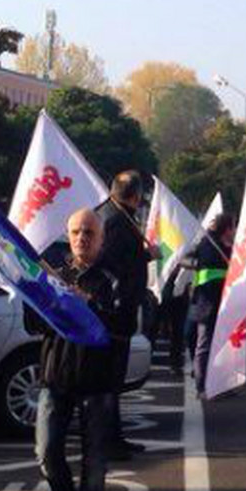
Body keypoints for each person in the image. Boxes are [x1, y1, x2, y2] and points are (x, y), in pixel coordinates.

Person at [34, 209, 132, 491]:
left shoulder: (113, 278)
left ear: (101, 238)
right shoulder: (55, 275)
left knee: (95, 461)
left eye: (89, 232)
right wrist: (43, 300)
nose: (82, 238)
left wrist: (87, 305)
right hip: (56, 377)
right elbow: (35, 324)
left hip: (98, 381)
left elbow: (123, 327)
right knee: (46, 451)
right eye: (76, 231)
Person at [96, 170, 159, 458]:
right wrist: (146, 256)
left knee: (114, 380)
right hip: (115, 312)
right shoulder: (114, 220)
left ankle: (116, 437)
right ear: (134, 197)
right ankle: (109, 440)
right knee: (109, 380)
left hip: (120, 308)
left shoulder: (114, 214)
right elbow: (111, 262)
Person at [184, 214, 236, 396]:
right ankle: (203, 386)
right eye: (233, 227)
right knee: (206, 345)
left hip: (210, 301)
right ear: (226, 229)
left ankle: (215, 384)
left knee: (214, 345)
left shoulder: (209, 244)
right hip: (209, 302)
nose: (235, 231)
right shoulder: (212, 246)